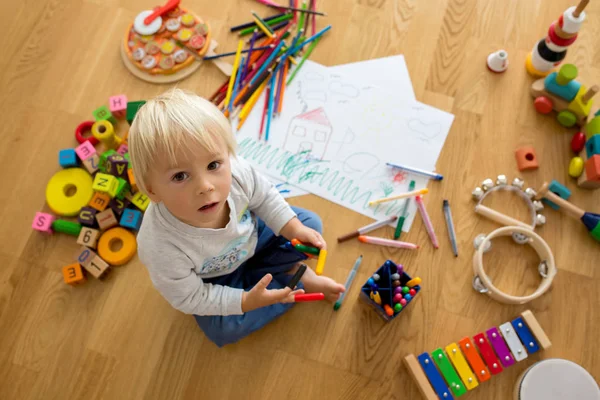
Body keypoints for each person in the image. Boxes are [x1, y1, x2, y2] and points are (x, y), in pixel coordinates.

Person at [128, 89, 345, 347]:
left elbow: (264, 198)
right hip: (217, 279)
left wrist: (293, 228)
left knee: (310, 225)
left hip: (255, 239)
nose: (206, 186)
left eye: (213, 165)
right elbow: (190, 296)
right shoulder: (159, 245)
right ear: (152, 190)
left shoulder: (239, 173)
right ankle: (292, 279)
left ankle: (286, 276)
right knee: (223, 329)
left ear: (227, 157)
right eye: (180, 176)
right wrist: (244, 302)